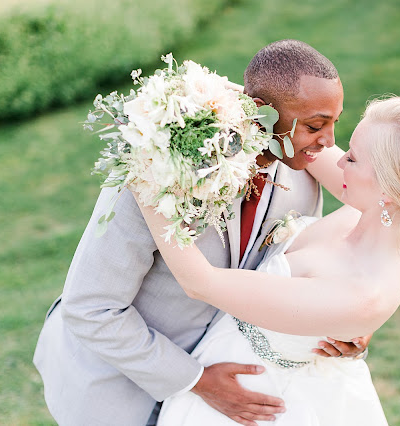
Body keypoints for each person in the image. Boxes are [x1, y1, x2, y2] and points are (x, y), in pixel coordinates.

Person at [33, 40, 370, 426]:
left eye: (334, 123)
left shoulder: (304, 175)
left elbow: (289, 275)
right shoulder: (155, 171)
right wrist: (195, 380)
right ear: (264, 112)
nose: (329, 142)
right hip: (110, 384)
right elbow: (91, 307)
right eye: (314, 125)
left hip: (219, 381)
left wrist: (340, 325)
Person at [135, 95, 400, 425]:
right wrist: (206, 97)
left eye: (352, 158)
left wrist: (147, 177)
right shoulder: (385, 214)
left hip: (256, 397)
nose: (337, 158)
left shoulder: (363, 293)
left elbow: (200, 282)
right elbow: (304, 143)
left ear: (389, 188)